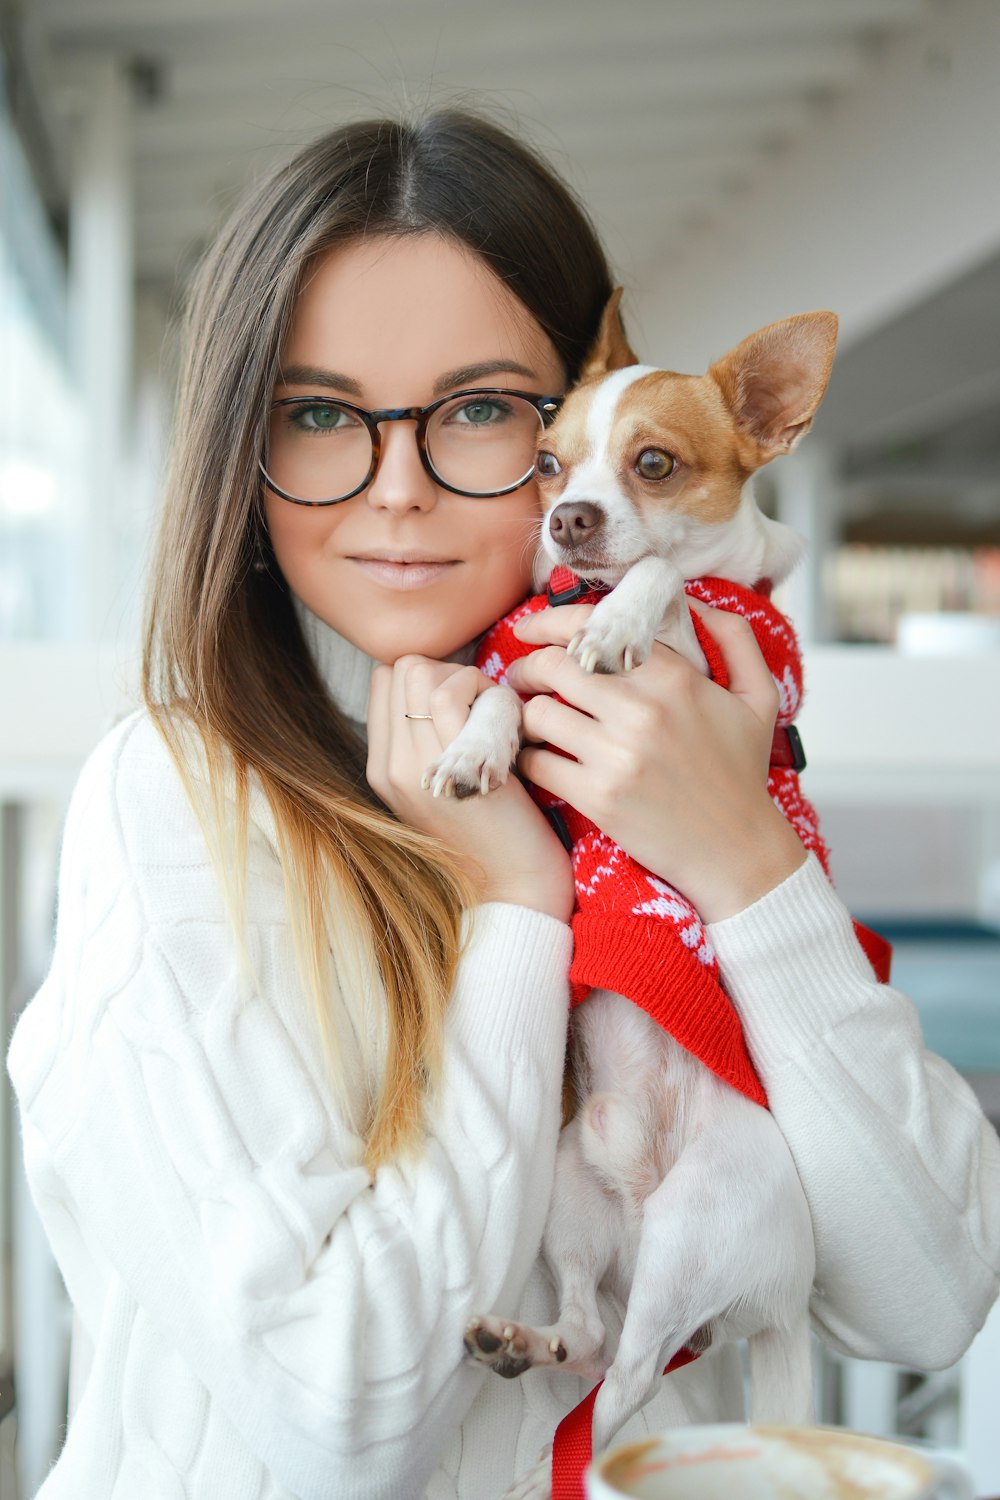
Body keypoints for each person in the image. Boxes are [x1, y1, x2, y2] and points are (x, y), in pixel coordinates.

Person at [7, 108, 999, 1500]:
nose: (399, 489)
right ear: (239, 452)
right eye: (317, 413)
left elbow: (931, 1300)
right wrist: (519, 909)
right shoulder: (178, 805)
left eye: (481, 411)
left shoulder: (693, 748)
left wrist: (749, 866)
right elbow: (337, 1423)